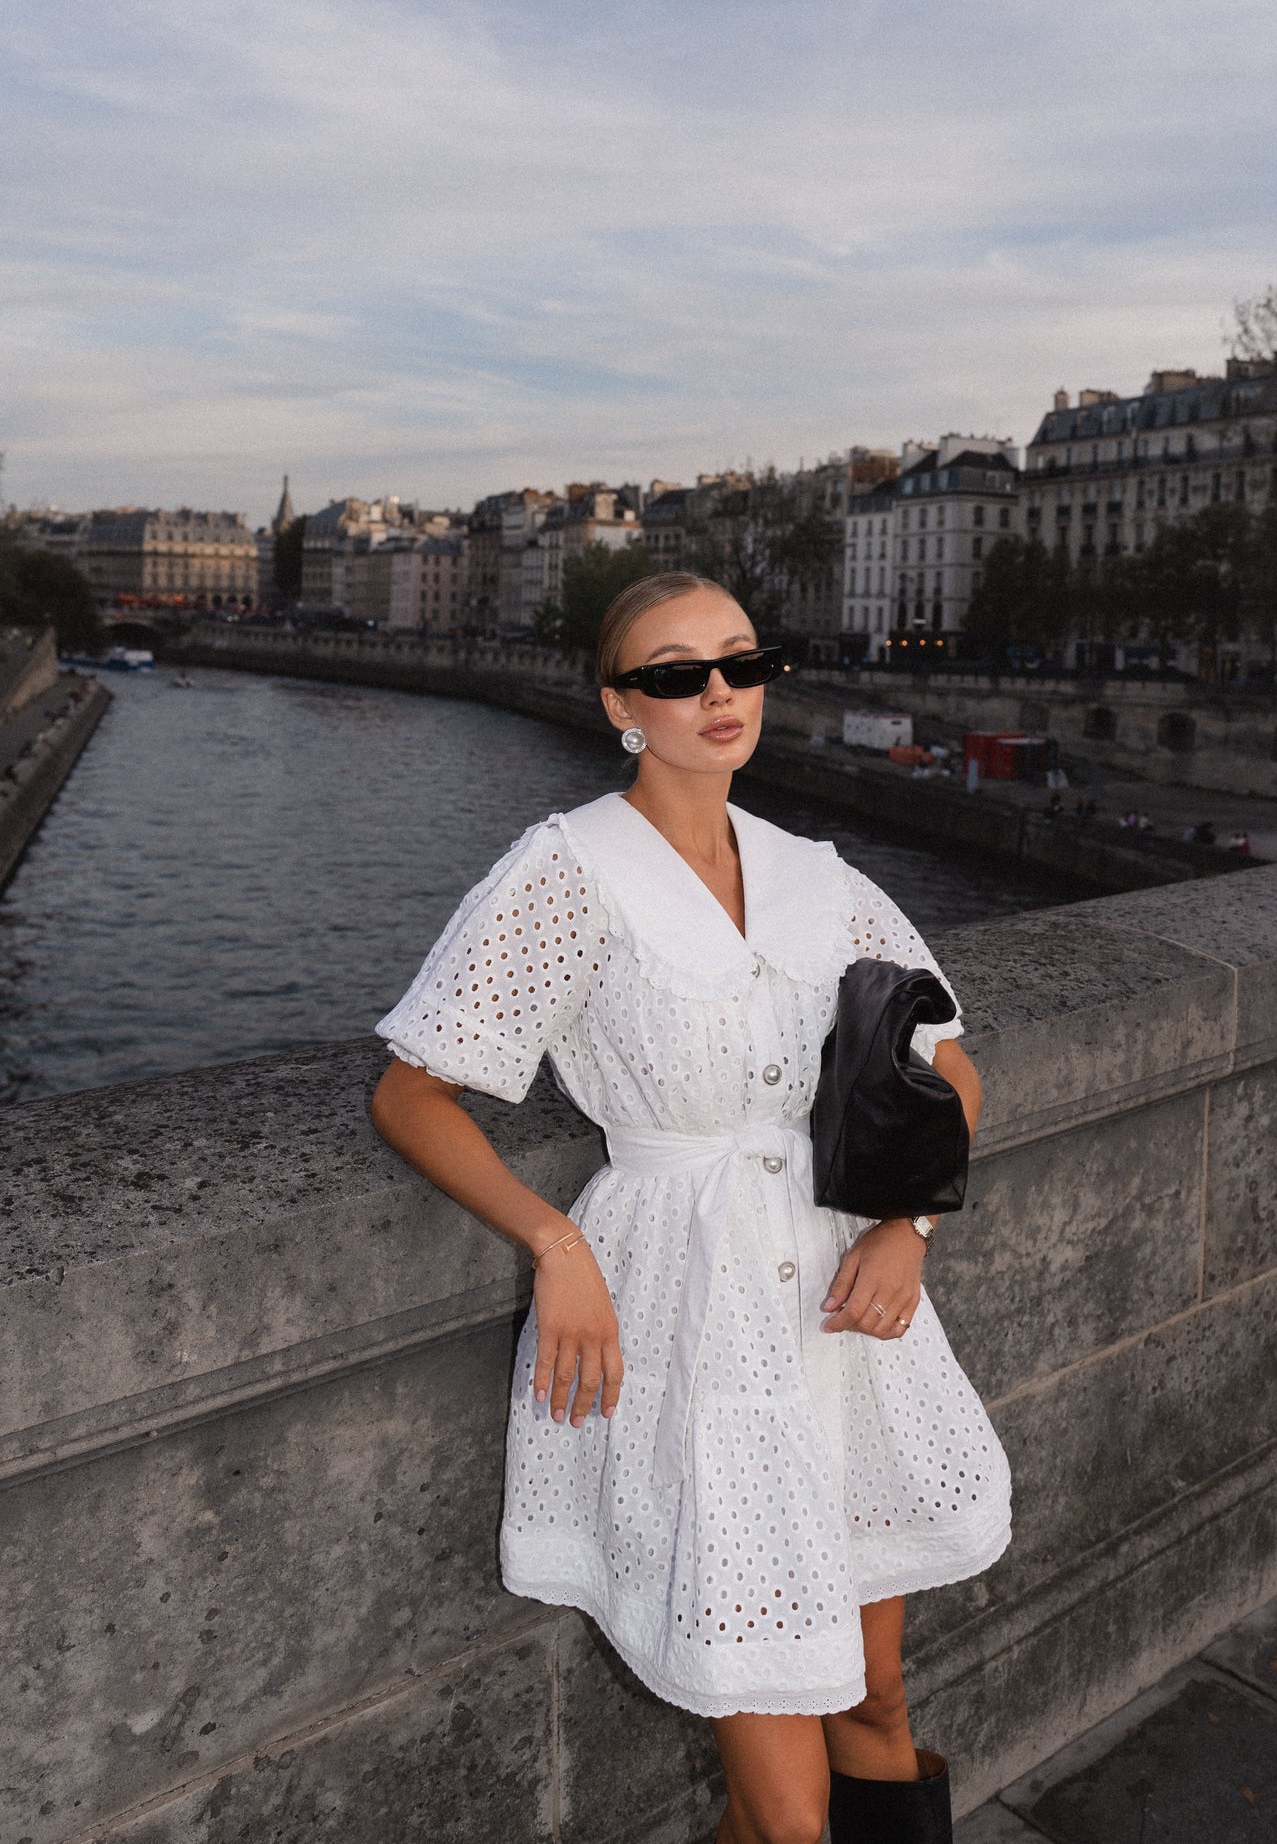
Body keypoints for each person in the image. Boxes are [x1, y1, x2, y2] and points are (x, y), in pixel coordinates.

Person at [369, 572, 1011, 1844]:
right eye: (673, 673)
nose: (716, 693)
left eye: (738, 662)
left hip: (839, 1315)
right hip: (693, 1317)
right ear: (622, 706)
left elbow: (948, 1069)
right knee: (786, 1812)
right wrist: (554, 1243)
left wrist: (908, 1228)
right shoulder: (566, 872)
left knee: (876, 1711)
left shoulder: (815, 876)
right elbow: (412, 1093)